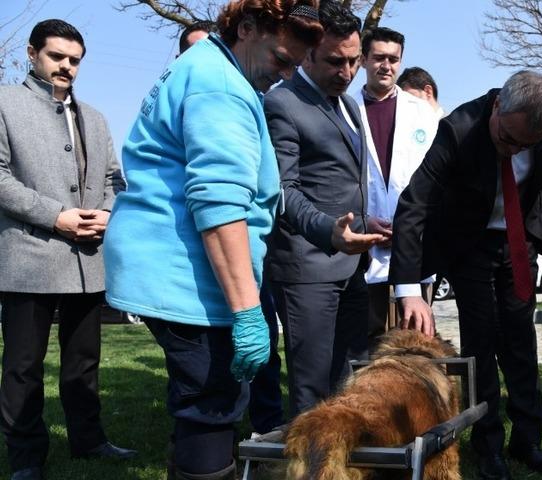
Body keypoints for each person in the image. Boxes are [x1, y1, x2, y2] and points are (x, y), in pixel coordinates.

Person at [103, 2, 324, 478]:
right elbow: (220, 205)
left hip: (175, 266)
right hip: (186, 274)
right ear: (246, 29)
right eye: (281, 60)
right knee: (213, 401)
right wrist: (247, 312)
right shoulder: (220, 86)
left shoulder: (207, 68)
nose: (284, 77)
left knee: (197, 400)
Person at [390, 70, 542, 479]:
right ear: (497, 108)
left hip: (517, 242)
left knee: (521, 342)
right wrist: (409, 289)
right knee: (481, 344)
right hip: (469, 246)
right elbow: (413, 204)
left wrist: (531, 220)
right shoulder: (458, 129)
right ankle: (488, 446)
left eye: (526, 145)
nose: (514, 151)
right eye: (507, 139)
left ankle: (528, 441)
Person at [0, 19, 133, 480]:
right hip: (28, 257)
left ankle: (90, 440)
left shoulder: (95, 117)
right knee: (22, 367)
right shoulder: (4, 102)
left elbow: (116, 180)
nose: (67, 67)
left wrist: (109, 214)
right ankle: (26, 458)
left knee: (83, 363)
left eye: (75, 60)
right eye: (57, 56)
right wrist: (55, 214)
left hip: (87, 261)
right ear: (32, 53)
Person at [263, 0, 383, 419]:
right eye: (336, 62)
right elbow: (284, 191)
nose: (347, 73)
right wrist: (328, 230)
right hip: (307, 268)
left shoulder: (349, 105)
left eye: (354, 61)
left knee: (350, 377)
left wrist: (368, 223)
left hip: (350, 266)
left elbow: (339, 182)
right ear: (307, 52)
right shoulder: (282, 104)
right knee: (312, 389)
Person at [352, 27, 439, 344]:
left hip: (413, 241)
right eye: (378, 58)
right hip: (365, 239)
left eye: (393, 59)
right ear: (363, 59)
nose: (385, 66)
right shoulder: (346, 111)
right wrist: (364, 221)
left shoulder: (423, 115)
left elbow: (435, 179)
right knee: (368, 338)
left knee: (415, 335)